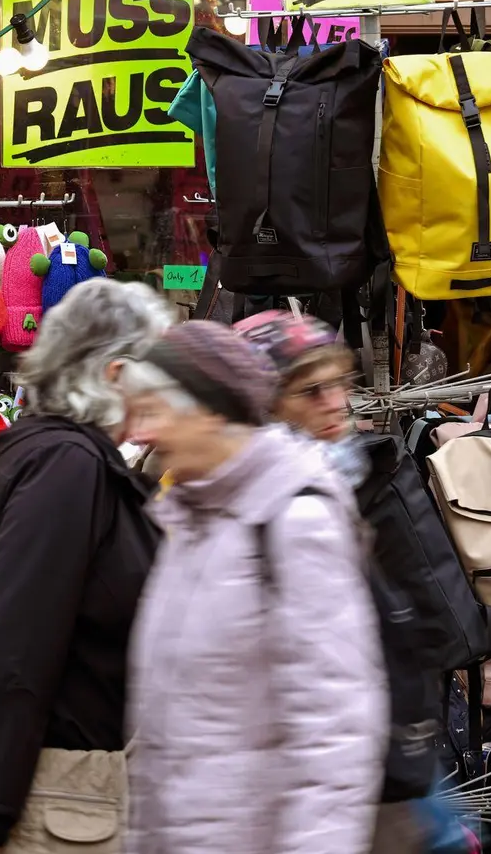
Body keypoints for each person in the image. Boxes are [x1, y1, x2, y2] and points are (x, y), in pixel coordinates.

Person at [235, 310, 491, 853]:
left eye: (338, 384)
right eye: (310, 391)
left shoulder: (346, 481)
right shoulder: (264, 508)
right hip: (329, 776)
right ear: (263, 408)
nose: (335, 403)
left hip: (383, 761)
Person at [120, 320, 387, 854]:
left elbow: (334, 730)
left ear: (211, 410)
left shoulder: (292, 519)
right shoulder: (190, 521)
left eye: (158, 411)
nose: (143, 434)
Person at [0, 279, 172, 854]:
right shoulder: (66, 465)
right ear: (116, 373)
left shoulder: (48, 454)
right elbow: (17, 637)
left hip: (64, 796)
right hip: (64, 806)